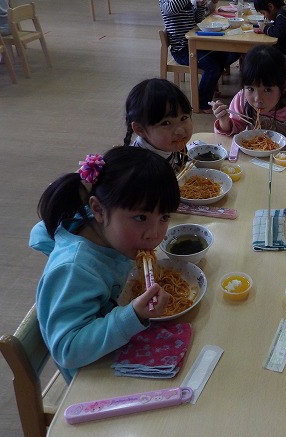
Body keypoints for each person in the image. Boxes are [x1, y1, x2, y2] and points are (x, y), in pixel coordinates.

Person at [29, 146, 181, 384]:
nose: (154, 234)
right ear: (98, 209)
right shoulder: (74, 269)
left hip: (120, 340)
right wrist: (132, 315)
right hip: (95, 376)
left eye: (164, 218)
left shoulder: (110, 234)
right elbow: (67, 349)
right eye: (141, 217)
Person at [159, 0, 238, 112]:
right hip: (182, 51)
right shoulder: (166, 1)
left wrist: (201, 7)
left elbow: (197, 20)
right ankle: (201, 102)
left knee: (228, 54)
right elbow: (171, 8)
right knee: (213, 66)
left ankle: (210, 84)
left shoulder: (185, 1)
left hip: (195, 45)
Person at [123, 78, 194, 174]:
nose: (180, 131)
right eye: (166, 123)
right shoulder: (144, 169)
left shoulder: (163, 145)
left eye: (183, 118)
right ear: (140, 129)